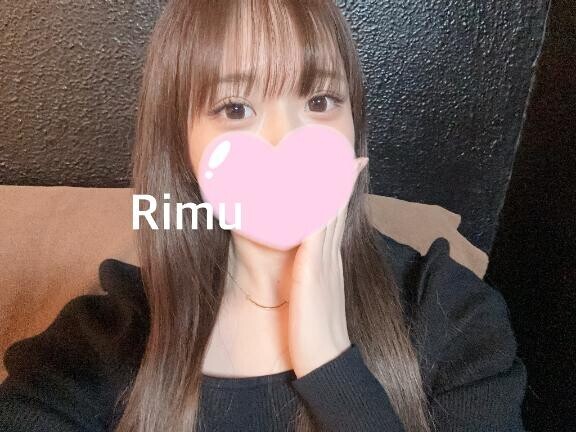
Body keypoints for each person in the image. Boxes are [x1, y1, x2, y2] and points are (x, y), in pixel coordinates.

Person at [0, 0, 528, 431]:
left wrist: (331, 365)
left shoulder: (451, 312)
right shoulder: (110, 337)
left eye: (320, 101)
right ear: (181, 148)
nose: (286, 142)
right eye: (236, 109)